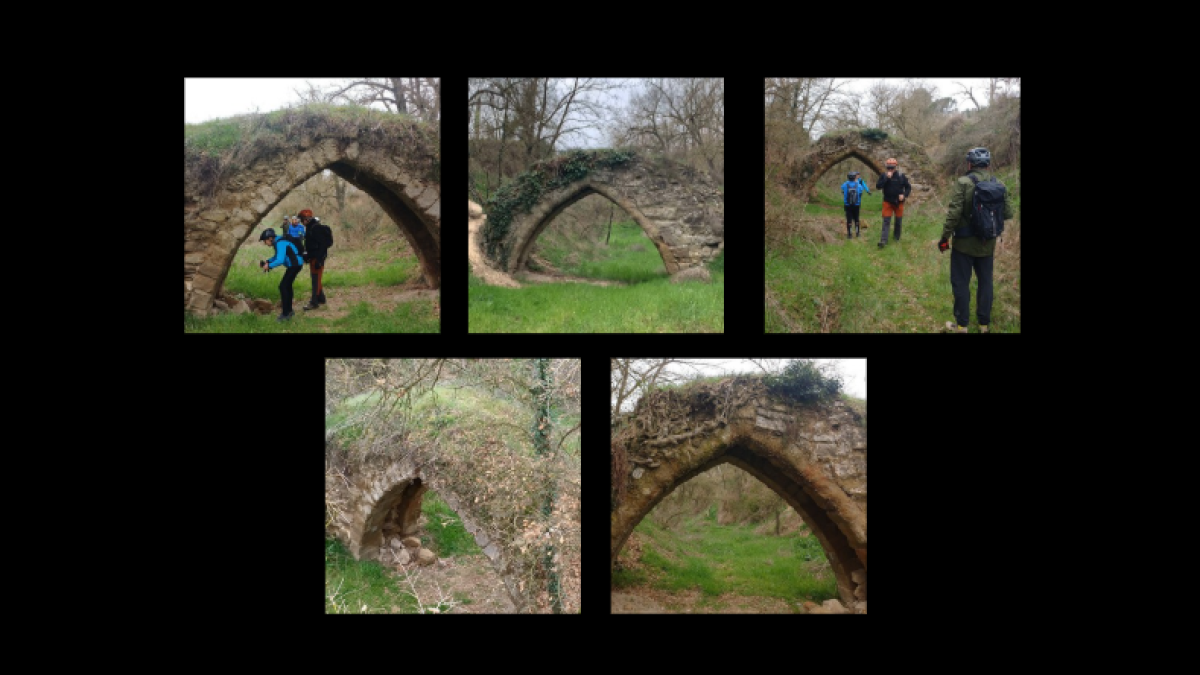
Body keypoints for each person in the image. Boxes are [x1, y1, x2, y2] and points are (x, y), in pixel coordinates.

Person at [936, 147, 1015, 333]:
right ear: (988, 164)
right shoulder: (998, 184)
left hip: (963, 245)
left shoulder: (963, 182)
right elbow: (1008, 213)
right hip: (987, 244)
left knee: (961, 283)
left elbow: (954, 214)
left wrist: (944, 237)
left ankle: (962, 326)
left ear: (969, 164)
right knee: (986, 283)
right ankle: (983, 325)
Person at [258, 227, 305, 321]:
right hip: (296, 265)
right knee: (287, 286)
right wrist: (268, 261)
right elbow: (277, 256)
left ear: (270, 238)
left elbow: (280, 260)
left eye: (265, 241)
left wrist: (269, 266)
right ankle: (289, 311)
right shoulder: (278, 242)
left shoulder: (280, 243)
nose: (265, 243)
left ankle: (285, 314)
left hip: (294, 266)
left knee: (283, 286)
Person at [299, 209, 334, 310]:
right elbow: (311, 244)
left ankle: (314, 302)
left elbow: (323, 245)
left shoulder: (315, 228)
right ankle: (321, 298)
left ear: (306, 219)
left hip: (317, 258)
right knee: (316, 278)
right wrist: (306, 255)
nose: (301, 222)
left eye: (302, 220)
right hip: (313, 257)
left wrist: (319, 260)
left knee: (315, 280)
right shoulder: (310, 227)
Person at [875, 157, 911, 248]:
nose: (890, 169)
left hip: (899, 202)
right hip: (887, 202)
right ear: (886, 167)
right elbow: (878, 186)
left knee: (898, 221)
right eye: (889, 167)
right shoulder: (883, 175)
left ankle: (896, 238)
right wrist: (886, 178)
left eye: (892, 167)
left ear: (895, 167)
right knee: (886, 221)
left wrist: (904, 195)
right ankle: (883, 241)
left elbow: (908, 187)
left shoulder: (901, 176)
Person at [840, 171, 870, 238]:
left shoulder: (845, 184)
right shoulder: (858, 185)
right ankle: (857, 233)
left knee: (849, 219)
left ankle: (849, 234)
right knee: (856, 219)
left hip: (847, 205)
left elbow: (842, 188)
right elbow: (861, 191)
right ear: (854, 177)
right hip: (856, 204)